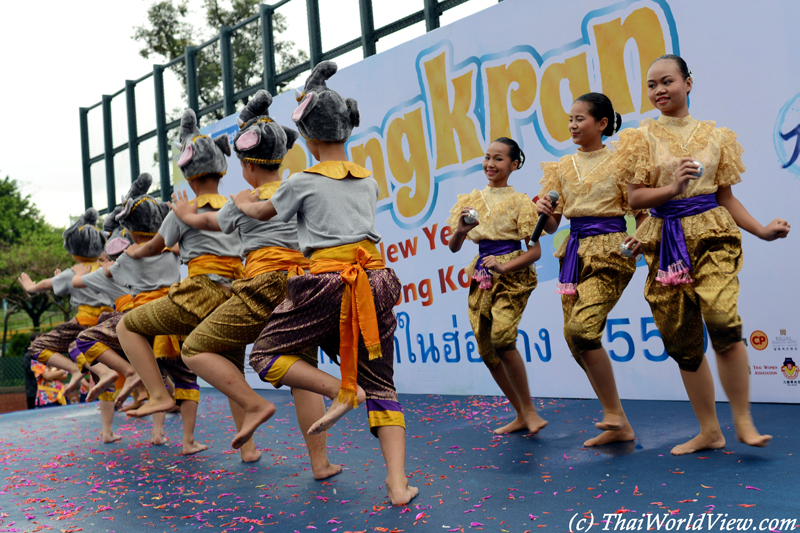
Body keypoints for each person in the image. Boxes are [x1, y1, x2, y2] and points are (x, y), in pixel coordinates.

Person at [233, 61, 417, 505]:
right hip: (375, 280)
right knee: (383, 386)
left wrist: (241, 200)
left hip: (326, 284)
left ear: (309, 139)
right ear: (347, 131)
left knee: (265, 354)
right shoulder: (369, 179)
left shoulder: (302, 181)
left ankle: (340, 390)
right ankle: (396, 485)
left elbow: (261, 214)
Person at [619, 54, 791, 455]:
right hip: (665, 242)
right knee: (682, 337)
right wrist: (671, 190)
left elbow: (725, 197)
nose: (659, 90)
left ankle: (743, 420)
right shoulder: (639, 138)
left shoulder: (718, 137)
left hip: (712, 233)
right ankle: (710, 431)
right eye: (651, 85)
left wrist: (762, 230)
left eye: (667, 81)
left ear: (688, 83)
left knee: (721, 316)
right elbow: (635, 198)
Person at [169, 90, 339, 473]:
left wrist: (185, 215)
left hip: (261, 286)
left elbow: (212, 223)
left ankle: (254, 403)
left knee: (194, 349)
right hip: (302, 287)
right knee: (301, 376)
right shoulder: (297, 189)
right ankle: (321, 463)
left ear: (246, 166)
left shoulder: (243, 198)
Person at [117, 109, 242, 456]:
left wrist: (135, 252)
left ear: (188, 178)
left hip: (199, 292)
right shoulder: (234, 206)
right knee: (232, 372)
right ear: (222, 170)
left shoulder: (180, 211)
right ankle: (247, 448)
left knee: (128, 327)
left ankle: (158, 393)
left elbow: (154, 247)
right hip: (235, 294)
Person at [535, 92, 648, 446]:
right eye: (570, 119)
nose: (572, 125)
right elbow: (552, 225)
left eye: (580, 118)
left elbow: (642, 213)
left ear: (602, 124)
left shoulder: (621, 163)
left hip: (610, 252)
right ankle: (619, 422)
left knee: (582, 330)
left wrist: (641, 238)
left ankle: (614, 414)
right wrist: (545, 211)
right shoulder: (562, 166)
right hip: (573, 254)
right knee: (575, 338)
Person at [447, 137, 545, 435]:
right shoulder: (471, 199)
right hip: (482, 278)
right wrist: (461, 232)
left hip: (512, 278)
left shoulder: (520, 202)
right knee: (488, 350)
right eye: (488, 157)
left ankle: (529, 410)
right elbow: (453, 247)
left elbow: (535, 251)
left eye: (499, 158)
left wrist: (504, 266)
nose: (490, 163)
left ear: (514, 165)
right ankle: (520, 414)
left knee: (503, 338)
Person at [18, 209, 114, 394]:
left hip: (85, 323)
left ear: (73, 250)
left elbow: (45, 284)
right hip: (108, 324)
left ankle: (74, 369)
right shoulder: (105, 269)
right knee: (101, 374)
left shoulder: (75, 272)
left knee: (39, 347)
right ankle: (107, 422)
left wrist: (31, 287)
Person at [23, 333, 40, 410]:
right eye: (37, 340)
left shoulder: (44, 354)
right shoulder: (27, 356)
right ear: (31, 342)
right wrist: (42, 373)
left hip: (44, 391)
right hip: (32, 391)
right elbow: (29, 371)